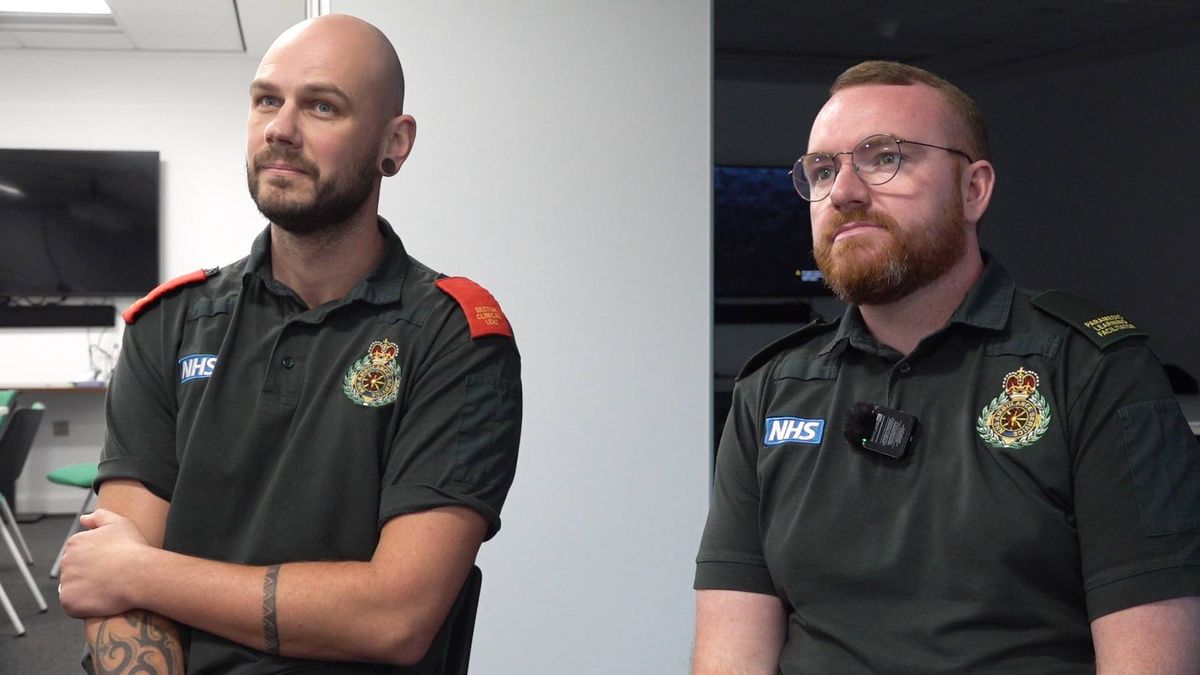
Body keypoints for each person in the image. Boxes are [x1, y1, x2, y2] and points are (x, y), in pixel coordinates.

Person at [693, 60, 1200, 673]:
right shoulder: (773, 389)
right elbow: (730, 654)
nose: (846, 193)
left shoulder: (1090, 371)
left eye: (885, 158)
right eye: (823, 170)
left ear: (973, 190)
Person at [57, 14, 522, 674]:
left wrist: (144, 572)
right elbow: (114, 593)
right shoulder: (168, 324)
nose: (280, 127)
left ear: (396, 142)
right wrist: (128, 577)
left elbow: (395, 617)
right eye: (266, 100)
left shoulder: (456, 337)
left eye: (322, 106)